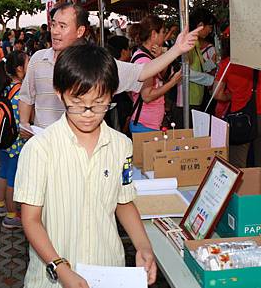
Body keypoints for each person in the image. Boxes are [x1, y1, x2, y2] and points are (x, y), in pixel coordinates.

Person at [14, 43, 157, 288]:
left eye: (100, 102)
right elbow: (31, 220)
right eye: (78, 102)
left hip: (108, 270)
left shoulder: (121, 145)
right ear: (59, 93)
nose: (89, 113)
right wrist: (60, 268)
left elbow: (123, 201)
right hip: (53, 278)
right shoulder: (40, 149)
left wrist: (143, 246)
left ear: (113, 94)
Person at [19, 2, 201, 136]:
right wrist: (25, 124)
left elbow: (143, 72)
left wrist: (177, 49)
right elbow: (27, 97)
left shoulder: (95, 64)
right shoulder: (37, 59)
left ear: (80, 31)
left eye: (62, 26)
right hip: (44, 147)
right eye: (53, 24)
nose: (55, 31)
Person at [213, 31, 261, 174]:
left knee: (238, 167)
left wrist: (231, 96)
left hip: (240, 117)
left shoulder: (227, 63)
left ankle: (242, 196)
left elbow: (216, 93)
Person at [0, 50, 29, 229]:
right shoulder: (22, 90)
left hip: (3, 138)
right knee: (13, 178)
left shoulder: (5, 85)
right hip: (16, 141)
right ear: (20, 69)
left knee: (4, 172)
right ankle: (11, 215)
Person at [128, 16, 182, 133]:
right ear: (154, 34)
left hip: (150, 122)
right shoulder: (144, 60)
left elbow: (160, 77)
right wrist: (172, 83)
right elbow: (147, 96)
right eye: (163, 32)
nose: (164, 36)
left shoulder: (148, 56)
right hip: (145, 124)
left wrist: (160, 59)